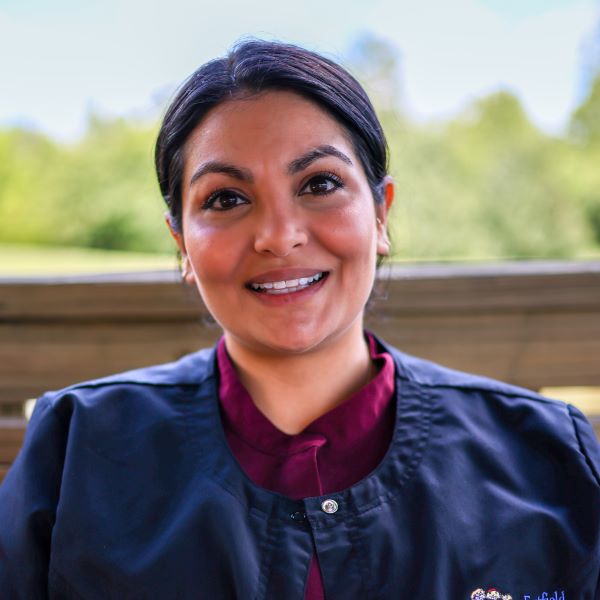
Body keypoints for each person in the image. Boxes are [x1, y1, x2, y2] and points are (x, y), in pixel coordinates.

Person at [0, 39, 599, 600]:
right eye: (226, 198)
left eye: (320, 183)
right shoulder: (78, 446)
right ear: (181, 244)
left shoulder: (547, 455)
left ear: (381, 214)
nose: (279, 237)